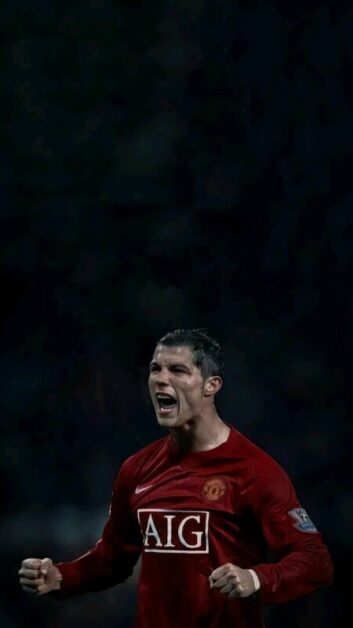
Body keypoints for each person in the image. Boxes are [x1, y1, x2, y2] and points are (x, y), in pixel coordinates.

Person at [19, 328, 333, 627]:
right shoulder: (136, 469)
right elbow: (113, 559)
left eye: (177, 371)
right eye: (155, 369)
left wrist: (256, 579)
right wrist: (63, 577)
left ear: (211, 385)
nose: (160, 379)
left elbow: (315, 561)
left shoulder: (255, 471)